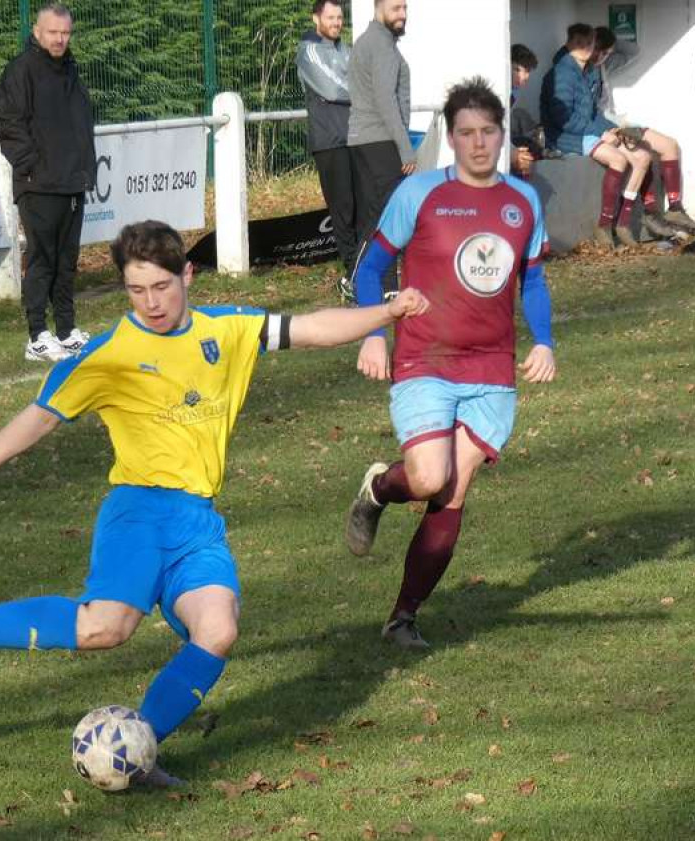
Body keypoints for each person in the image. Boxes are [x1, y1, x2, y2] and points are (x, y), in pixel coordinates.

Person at [0, 220, 429, 785]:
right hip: (137, 514)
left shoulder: (228, 328)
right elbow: (40, 416)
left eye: (161, 287)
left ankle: (139, 752)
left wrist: (387, 313)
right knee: (103, 630)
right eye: (136, 291)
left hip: (197, 524)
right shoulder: (109, 352)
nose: (150, 302)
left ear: (187, 274)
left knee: (218, 630)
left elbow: (311, 328)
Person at [345, 77, 556, 649]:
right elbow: (370, 271)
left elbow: (532, 279)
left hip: (491, 369)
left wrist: (544, 340)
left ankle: (402, 618)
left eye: (489, 131)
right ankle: (379, 490)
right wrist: (373, 333)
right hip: (424, 358)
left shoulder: (523, 200)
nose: (479, 143)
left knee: (451, 490)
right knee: (427, 478)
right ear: (452, 137)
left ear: (501, 134)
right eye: (467, 133)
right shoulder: (419, 195)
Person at [0, 3, 96, 362]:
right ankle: (37, 335)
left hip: (72, 182)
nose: (59, 39)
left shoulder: (71, 71)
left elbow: (79, 126)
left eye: (65, 33)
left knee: (67, 261)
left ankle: (66, 331)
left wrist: (84, 170)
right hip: (38, 184)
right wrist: (32, 167)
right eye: (53, 32)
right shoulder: (20, 71)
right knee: (42, 260)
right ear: (37, 32)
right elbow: (10, 125)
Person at [541, 23, 650, 249]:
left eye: (588, 43)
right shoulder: (561, 73)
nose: (584, 48)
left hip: (586, 131)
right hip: (564, 136)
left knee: (642, 157)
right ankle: (604, 225)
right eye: (579, 43)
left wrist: (614, 129)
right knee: (618, 159)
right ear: (569, 43)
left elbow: (592, 113)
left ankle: (623, 224)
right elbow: (564, 120)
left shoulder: (588, 71)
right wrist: (600, 132)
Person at [593, 27, 695, 238]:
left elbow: (634, 51)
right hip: (608, 126)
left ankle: (674, 209)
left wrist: (610, 42)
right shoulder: (583, 70)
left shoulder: (604, 64)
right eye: (597, 50)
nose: (601, 56)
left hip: (617, 120)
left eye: (605, 52)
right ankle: (650, 213)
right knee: (644, 154)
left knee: (670, 146)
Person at [348, 0, 414, 297]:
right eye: (395, 8)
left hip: (366, 140)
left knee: (379, 214)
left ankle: (385, 285)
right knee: (385, 215)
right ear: (378, 8)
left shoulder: (370, 41)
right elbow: (386, 101)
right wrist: (405, 148)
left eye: (404, 8)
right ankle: (355, 279)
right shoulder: (381, 44)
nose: (401, 14)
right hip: (380, 140)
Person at [296, 0, 358, 299]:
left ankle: (364, 270)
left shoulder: (346, 50)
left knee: (362, 207)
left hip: (357, 139)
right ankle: (352, 278)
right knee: (343, 209)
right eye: (331, 17)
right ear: (316, 18)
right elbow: (333, 88)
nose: (336, 22)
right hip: (330, 143)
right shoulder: (308, 50)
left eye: (339, 17)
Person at [510, 44, 541, 178]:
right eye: (519, 69)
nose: (526, 76)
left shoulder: (514, 91)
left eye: (528, 71)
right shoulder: (500, 89)